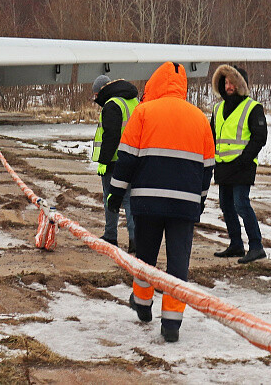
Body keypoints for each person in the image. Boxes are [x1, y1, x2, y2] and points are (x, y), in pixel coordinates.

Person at [106, 61, 215, 342]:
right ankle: (172, 325)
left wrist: (115, 193)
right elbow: (207, 168)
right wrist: (199, 203)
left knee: (146, 257)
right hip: (184, 205)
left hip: (147, 202)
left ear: (154, 84)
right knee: (178, 265)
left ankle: (142, 304)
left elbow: (126, 158)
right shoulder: (200, 118)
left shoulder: (143, 112)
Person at [210, 65, 267, 263]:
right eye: (225, 82)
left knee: (241, 204)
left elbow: (260, 137)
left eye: (232, 82)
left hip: (242, 165)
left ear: (240, 84)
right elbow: (212, 136)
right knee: (226, 206)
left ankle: (256, 246)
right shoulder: (217, 108)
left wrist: (245, 159)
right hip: (223, 165)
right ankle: (236, 244)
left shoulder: (253, 107)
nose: (228, 86)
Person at [91, 74, 139, 252]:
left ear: (102, 91)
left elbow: (111, 136)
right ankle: (135, 240)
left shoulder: (112, 105)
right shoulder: (133, 101)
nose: (96, 100)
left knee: (111, 199)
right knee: (130, 201)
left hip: (114, 161)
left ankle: (110, 236)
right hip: (134, 158)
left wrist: (103, 161)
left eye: (96, 96)